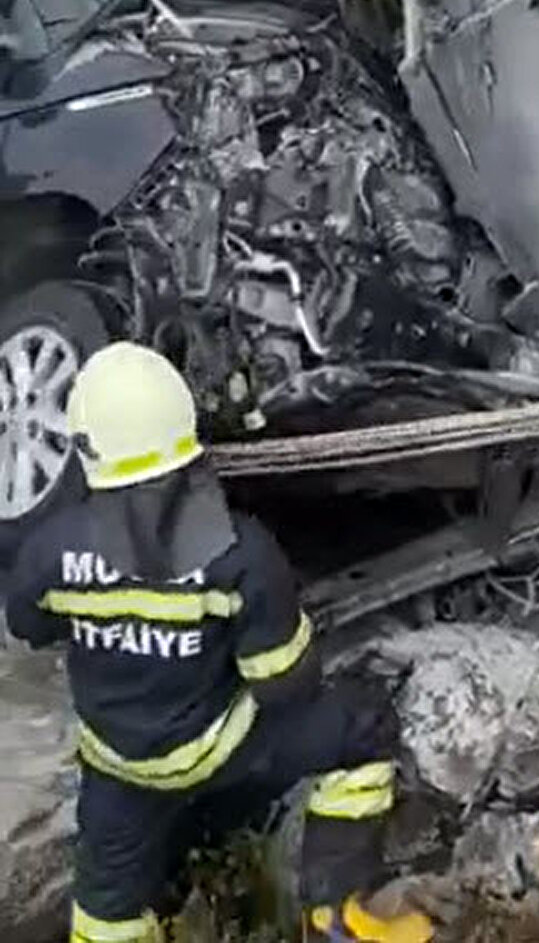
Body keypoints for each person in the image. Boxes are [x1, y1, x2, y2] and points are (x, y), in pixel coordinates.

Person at [5, 341, 433, 943]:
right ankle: (335, 912)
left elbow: (29, 627)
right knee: (364, 726)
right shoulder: (240, 552)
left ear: (86, 446)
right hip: (223, 750)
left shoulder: (48, 550)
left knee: (104, 907)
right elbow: (285, 685)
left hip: (118, 768)